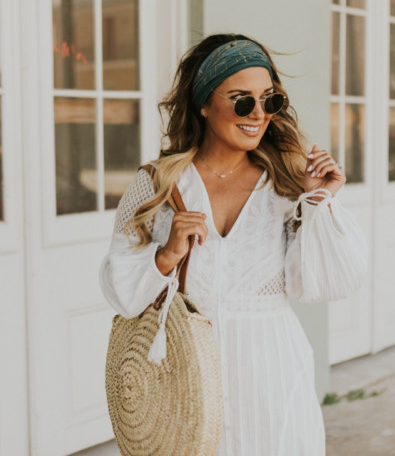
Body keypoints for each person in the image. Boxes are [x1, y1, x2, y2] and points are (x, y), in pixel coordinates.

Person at [99, 33, 369, 455]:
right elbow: (122, 294)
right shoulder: (157, 184)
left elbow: (326, 283)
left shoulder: (287, 185)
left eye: (270, 100)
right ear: (204, 104)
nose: (258, 114)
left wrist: (319, 201)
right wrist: (167, 255)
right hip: (186, 379)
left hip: (273, 373)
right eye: (242, 100)